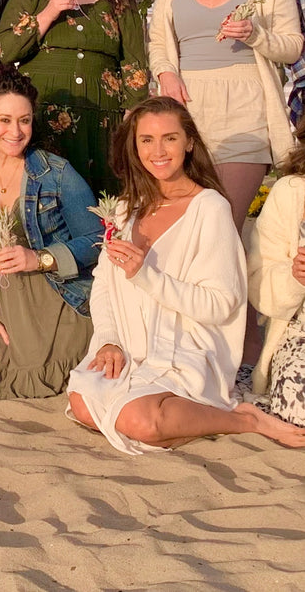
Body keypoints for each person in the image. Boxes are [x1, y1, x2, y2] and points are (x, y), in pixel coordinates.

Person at [66, 97, 305, 453]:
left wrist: (146, 275)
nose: (158, 151)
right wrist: (109, 340)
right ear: (135, 146)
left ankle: (245, 420)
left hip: (187, 348)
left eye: (170, 138)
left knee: (144, 422)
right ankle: (175, 415)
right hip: (131, 343)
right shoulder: (126, 208)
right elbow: (104, 285)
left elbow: (221, 304)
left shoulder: (210, 208)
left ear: (189, 142)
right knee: (82, 404)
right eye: (147, 140)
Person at [149, 0, 303, 233]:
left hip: (246, 107)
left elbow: (293, 46)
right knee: (184, 227)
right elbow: (158, 41)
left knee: (224, 224)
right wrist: (165, 73)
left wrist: (255, 34)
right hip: (186, 109)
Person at [0, 67, 100, 398]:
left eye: (24, 120)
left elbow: (97, 241)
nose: (15, 131)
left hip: (57, 297)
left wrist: (41, 258)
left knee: (33, 376)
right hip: (0, 301)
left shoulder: (56, 172)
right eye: (5, 120)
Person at [0, 0, 148, 195]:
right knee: (42, 196)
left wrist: (132, 115)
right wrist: (50, 11)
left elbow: (134, 63)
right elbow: (5, 50)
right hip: (42, 114)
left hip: (102, 119)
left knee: (102, 199)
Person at [246, 117, 305, 427]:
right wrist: (294, 277)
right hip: (298, 333)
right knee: (299, 406)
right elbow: (258, 282)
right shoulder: (291, 191)